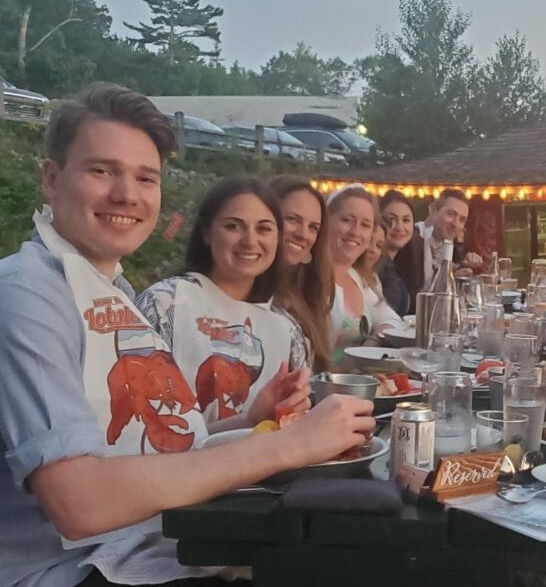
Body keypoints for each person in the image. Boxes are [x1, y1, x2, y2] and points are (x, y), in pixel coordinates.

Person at [0, 83, 390, 587]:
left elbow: (143, 446)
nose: (127, 194)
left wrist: (250, 421)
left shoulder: (106, 288)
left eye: (145, 178)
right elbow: (79, 503)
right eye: (102, 171)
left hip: (128, 554)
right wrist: (288, 448)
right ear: (51, 179)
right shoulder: (30, 295)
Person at [136, 177, 309, 425]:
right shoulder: (165, 303)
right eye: (234, 226)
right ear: (207, 233)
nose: (250, 241)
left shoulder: (287, 329)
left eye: (264, 229)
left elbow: (293, 421)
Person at [326, 185, 402, 366]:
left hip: (356, 386)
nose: (355, 231)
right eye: (347, 220)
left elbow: (394, 321)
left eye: (365, 225)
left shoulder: (357, 278)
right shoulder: (309, 278)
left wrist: (373, 341)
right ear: (326, 221)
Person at [269, 174, 335, 372]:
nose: (303, 234)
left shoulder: (307, 293)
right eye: (291, 219)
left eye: (313, 227)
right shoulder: (244, 293)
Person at [394, 187, 482, 302]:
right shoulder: (411, 241)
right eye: (451, 214)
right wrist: (449, 280)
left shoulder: (453, 246)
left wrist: (463, 267)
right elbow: (413, 297)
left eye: (462, 220)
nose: (455, 224)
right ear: (433, 210)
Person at [378, 190, 415, 316]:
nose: (399, 227)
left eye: (406, 220)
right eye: (391, 220)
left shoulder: (402, 263)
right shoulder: (375, 264)